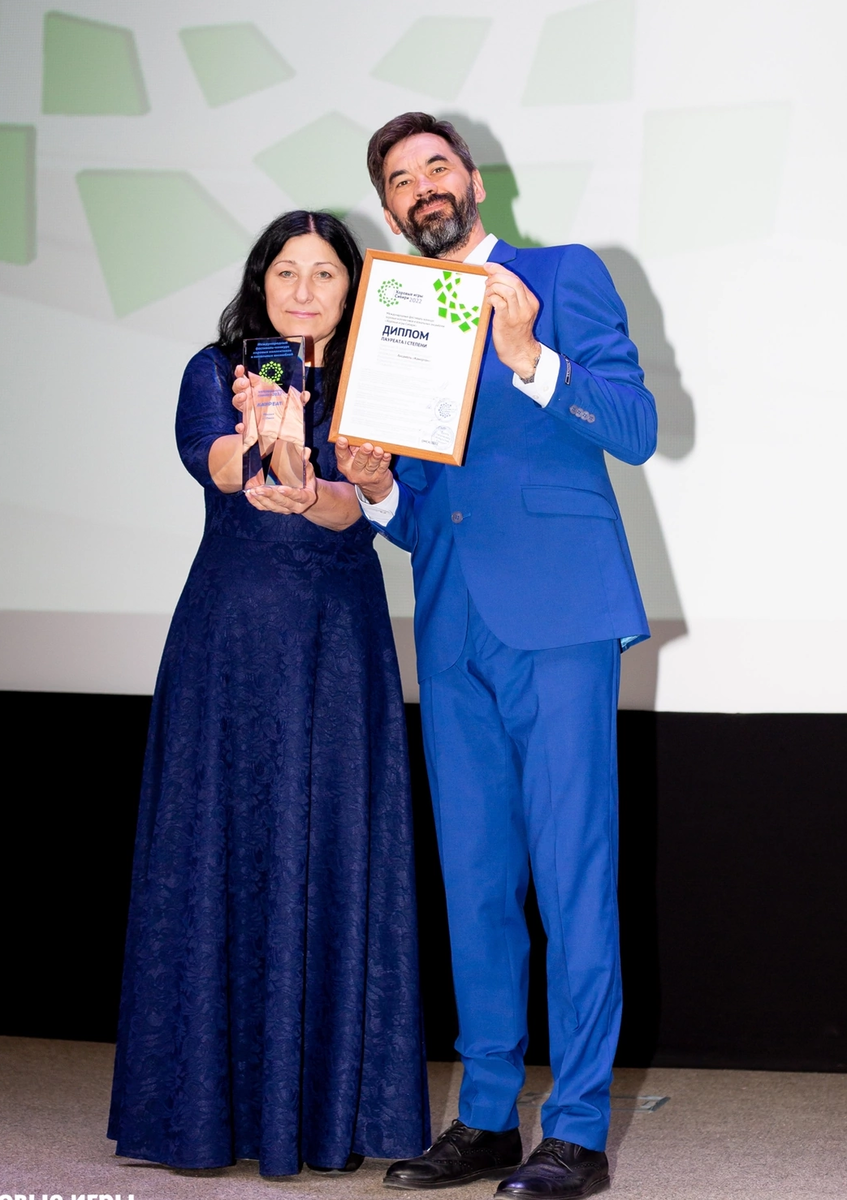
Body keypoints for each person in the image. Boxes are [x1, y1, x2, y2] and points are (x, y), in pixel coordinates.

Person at [335, 114, 657, 1199]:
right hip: (450, 622)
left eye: (436, 165)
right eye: (399, 179)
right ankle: (483, 1120)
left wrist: (528, 357)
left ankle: (575, 1129)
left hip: (560, 616)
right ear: (390, 209)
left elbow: (635, 426)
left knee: (573, 877)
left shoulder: (560, 276)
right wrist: (378, 486)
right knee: (474, 883)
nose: (422, 186)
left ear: (472, 181)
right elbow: (425, 511)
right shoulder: (395, 317)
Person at [108, 210, 430, 1178]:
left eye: (323, 273)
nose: (302, 290)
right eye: (285, 271)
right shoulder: (214, 373)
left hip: (338, 643)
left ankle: (332, 1115)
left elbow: (352, 511)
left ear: (352, 288)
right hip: (232, 640)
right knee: (215, 847)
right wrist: (264, 442)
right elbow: (221, 469)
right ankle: (201, 1115)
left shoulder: (384, 379)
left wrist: (307, 470)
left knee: (336, 847)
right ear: (261, 282)